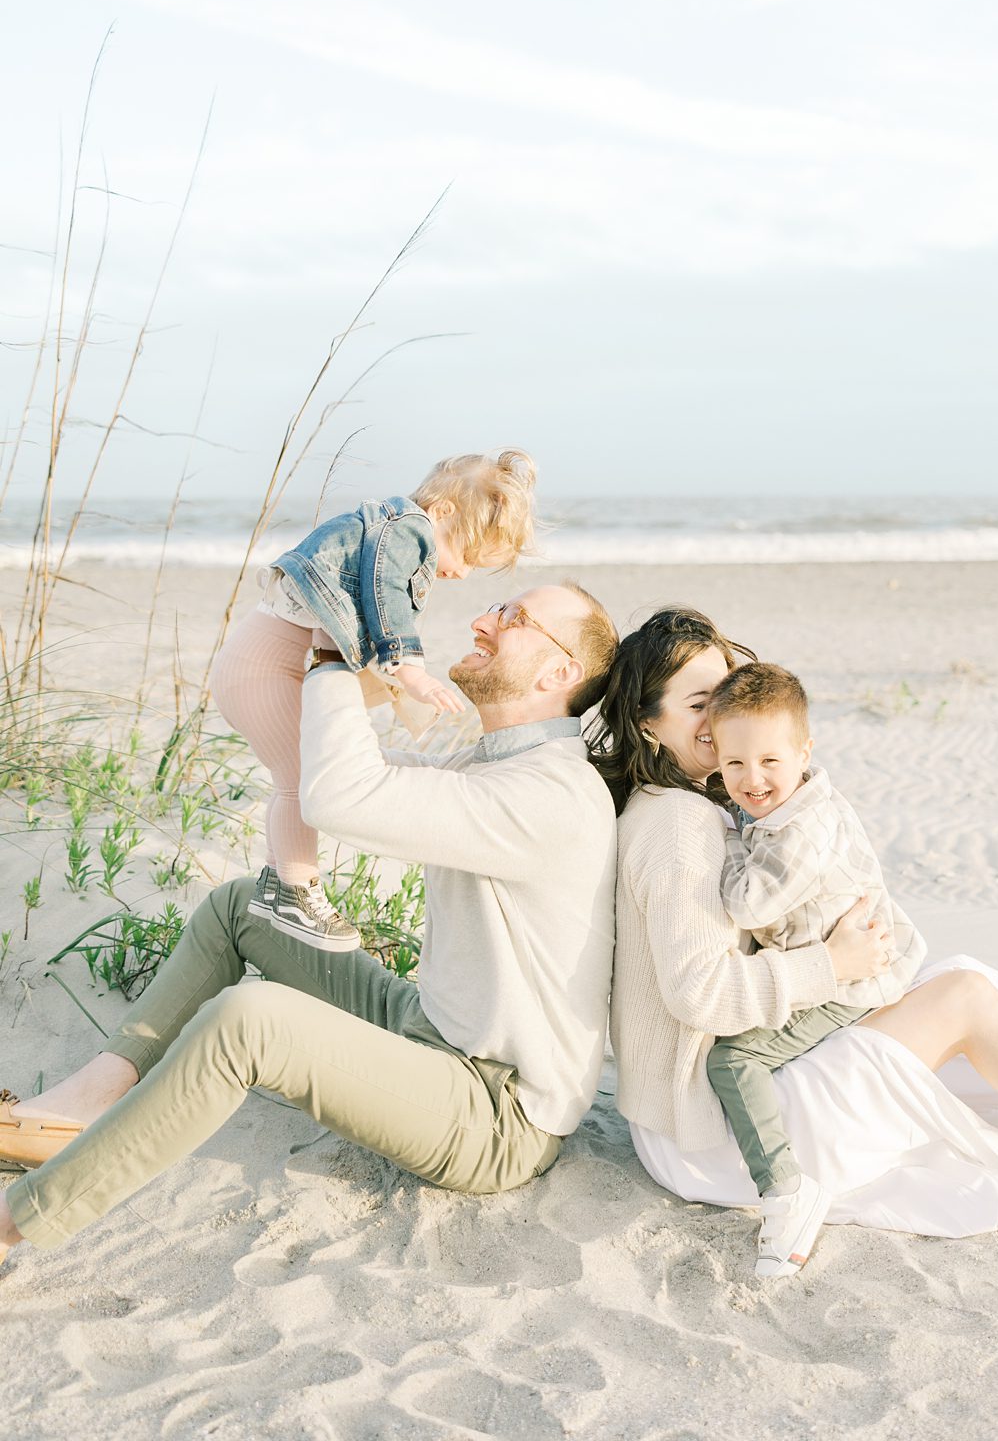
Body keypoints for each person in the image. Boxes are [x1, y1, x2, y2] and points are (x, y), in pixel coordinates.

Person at [0, 582, 620, 1266]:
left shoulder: (551, 796)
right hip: (429, 1028)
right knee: (246, 910)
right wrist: (331, 651)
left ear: (560, 672)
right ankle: (89, 1100)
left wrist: (329, 655)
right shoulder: (500, 762)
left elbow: (342, 797)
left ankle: (12, 1223)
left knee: (250, 1020)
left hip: (494, 1111)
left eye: (514, 618)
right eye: (495, 607)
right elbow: (338, 766)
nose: (483, 620)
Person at [592, 607, 998, 1262]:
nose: (718, 720)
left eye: (727, 695)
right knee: (962, 996)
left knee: (956, 980)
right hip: (715, 1135)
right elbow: (699, 995)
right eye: (699, 704)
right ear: (649, 722)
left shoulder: (698, 804)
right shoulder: (679, 827)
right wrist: (833, 962)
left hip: (718, 1104)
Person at [209, 448, 538, 952]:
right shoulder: (405, 530)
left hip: (260, 665)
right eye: (466, 556)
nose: (463, 573)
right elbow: (384, 596)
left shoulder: (389, 532)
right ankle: (297, 888)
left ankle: (280, 886)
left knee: (294, 778)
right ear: (443, 512)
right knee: (300, 779)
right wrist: (409, 669)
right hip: (259, 670)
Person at [702, 661, 926, 1276]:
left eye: (770, 761)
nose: (752, 780)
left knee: (732, 1058)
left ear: (804, 750)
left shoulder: (802, 829)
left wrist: (716, 838)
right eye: (735, 763)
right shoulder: (788, 803)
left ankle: (786, 1189)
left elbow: (746, 903)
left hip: (854, 978)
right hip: (829, 956)